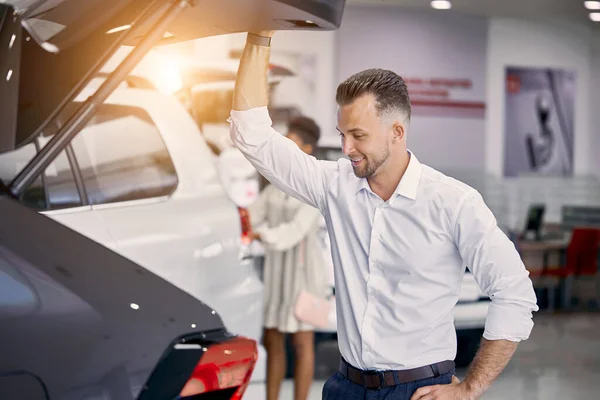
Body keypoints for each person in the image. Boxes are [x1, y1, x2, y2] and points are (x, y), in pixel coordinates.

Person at [229, 31, 538, 400]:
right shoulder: (335, 185)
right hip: (345, 387)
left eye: (358, 135)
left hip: (419, 390)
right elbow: (252, 134)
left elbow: (515, 293)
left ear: (397, 131)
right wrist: (261, 33)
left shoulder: (454, 202)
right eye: (342, 134)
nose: (346, 148)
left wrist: (471, 388)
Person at [248, 115, 329, 400]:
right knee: (273, 339)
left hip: (304, 275)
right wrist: (254, 230)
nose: (285, 147)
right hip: (277, 273)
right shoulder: (275, 184)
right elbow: (250, 217)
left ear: (307, 149)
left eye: (292, 142)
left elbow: (294, 231)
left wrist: (262, 234)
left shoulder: (313, 187)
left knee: (302, 341)